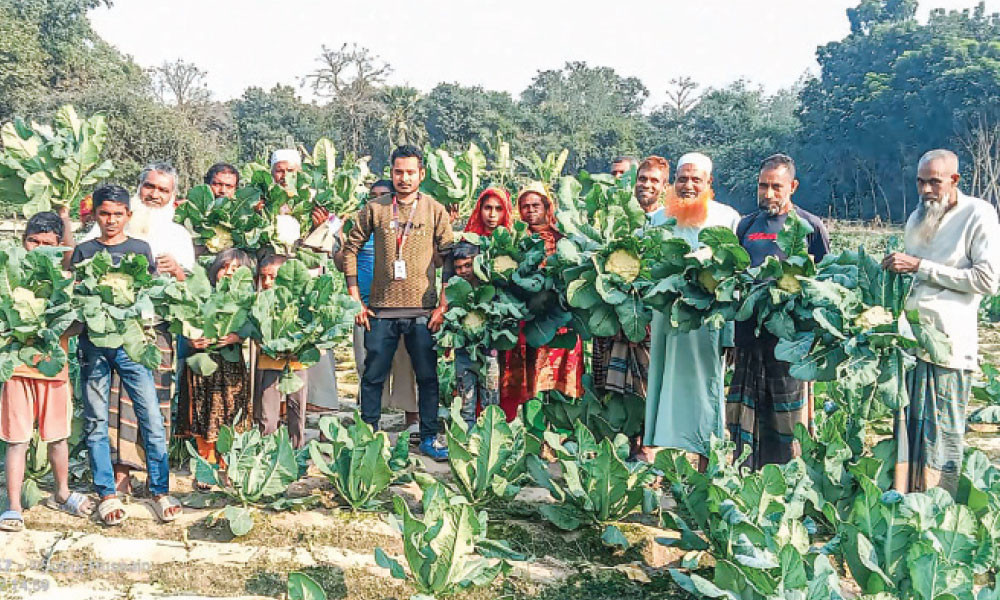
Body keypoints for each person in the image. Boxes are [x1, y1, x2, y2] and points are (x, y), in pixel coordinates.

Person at [884, 149, 1000, 494]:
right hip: (911, 346)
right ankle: (907, 506)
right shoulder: (918, 217)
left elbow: (987, 280)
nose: (926, 190)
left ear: (954, 180)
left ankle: (939, 508)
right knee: (909, 436)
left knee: (941, 437)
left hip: (948, 350)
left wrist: (921, 267)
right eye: (921, 182)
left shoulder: (978, 214)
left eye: (934, 181)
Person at [71, 184, 181, 526]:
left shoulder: (140, 249)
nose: (111, 220)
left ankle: (159, 489)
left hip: (131, 346)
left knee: (151, 415)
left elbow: (147, 295)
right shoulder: (84, 251)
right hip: (94, 347)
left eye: (118, 214)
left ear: (128, 216)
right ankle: (106, 491)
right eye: (105, 214)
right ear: (96, 215)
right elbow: (77, 300)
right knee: (96, 420)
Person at [84, 163, 194, 498]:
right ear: (139, 188)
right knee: (115, 404)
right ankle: (120, 473)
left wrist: (176, 271)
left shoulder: (178, 235)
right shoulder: (109, 225)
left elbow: (193, 288)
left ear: (173, 196)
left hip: (155, 328)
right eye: (150, 187)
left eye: (163, 190)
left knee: (152, 403)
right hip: (111, 330)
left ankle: (154, 477)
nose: (155, 195)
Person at [342, 145, 454, 461]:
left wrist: (443, 303)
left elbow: (449, 257)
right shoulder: (375, 209)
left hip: (423, 312)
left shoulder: (434, 210)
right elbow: (350, 249)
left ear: (422, 174)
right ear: (391, 173)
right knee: (373, 377)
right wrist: (355, 300)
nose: (404, 178)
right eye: (398, 172)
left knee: (428, 378)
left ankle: (429, 437)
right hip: (380, 311)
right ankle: (367, 437)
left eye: (410, 172)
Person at [727, 154, 830, 470]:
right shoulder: (746, 226)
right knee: (747, 414)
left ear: (793, 186)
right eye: (763, 186)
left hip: (791, 341)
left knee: (788, 417)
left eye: (776, 186)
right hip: (750, 336)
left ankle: (789, 477)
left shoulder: (809, 227)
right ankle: (748, 475)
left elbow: (826, 283)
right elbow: (732, 276)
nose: (768, 194)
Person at [642, 153, 741, 468]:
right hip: (665, 320)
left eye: (695, 179)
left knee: (705, 389)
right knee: (660, 385)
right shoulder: (659, 219)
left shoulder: (728, 219)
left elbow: (736, 278)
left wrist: (730, 331)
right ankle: (658, 467)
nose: (687, 185)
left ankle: (704, 462)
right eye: (682, 179)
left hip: (706, 323)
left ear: (709, 183)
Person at [0, 212, 93, 532]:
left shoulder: (66, 283)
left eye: (47, 244)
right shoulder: (8, 276)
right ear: (23, 241)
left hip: (53, 372)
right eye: (33, 241)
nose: (39, 248)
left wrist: (57, 323)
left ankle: (62, 492)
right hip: (18, 371)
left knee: (58, 438)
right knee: (17, 440)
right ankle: (12, 506)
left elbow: (77, 325)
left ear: (58, 246)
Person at [337, 180, 420, 438]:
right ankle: (370, 422)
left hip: (402, 307)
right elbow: (342, 263)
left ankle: (412, 420)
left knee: (406, 364)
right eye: (372, 196)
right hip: (366, 309)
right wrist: (340, 236)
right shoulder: (359, 227)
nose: (377, 200)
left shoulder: (408, 223)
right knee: (369, 367)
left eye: (383, 195)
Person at [499, 182, 584, 422]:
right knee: (530, 379)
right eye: (525, 206)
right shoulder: (516, 240)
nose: (530, 210)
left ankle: (560, 434)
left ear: (548, 207)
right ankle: (533, 434)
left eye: (536, 205)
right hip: (528, 320)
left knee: (558, 378)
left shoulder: (564, 239)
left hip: (561, 320)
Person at [592, 156, 670, 402]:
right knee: (609, 393)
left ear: (664, 187)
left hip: (646, 323)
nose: (646, 184)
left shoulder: (667, 224)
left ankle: (644, 439)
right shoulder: (613, 219)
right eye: (642, 179)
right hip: (611, 322)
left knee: (647, 393)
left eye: (654, 181)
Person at [177, 249, 255, 485]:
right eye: (224, 268)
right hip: (202, 364)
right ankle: (205, 466)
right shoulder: (202, 293)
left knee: (232, 411)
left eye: (235, 269)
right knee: (202, 412)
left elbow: (253, 323)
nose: (228, 274)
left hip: (230, 365)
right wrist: (192, 339)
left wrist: (236, 337)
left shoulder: (246, 298)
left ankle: (229, 465)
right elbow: (183, 317)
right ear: (214, 271)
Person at [252, 253, 311, 448]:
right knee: (267, 413)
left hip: (297, 361)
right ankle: (267, 452)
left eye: (273, 277)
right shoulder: (258, 302)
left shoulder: (303, 302)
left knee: (297, 410)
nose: (267, 282)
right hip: (269, 361)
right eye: (263, 277)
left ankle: (297, 451)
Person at [451, 241, 501, 428]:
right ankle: (466, 438)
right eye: (458, 267)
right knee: (466, 401)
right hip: (464, 352)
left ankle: (490, 436)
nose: (463, 271)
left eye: (467, 265)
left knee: (491, 399)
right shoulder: (455, 290)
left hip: (489, 352)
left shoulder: (491, 286)